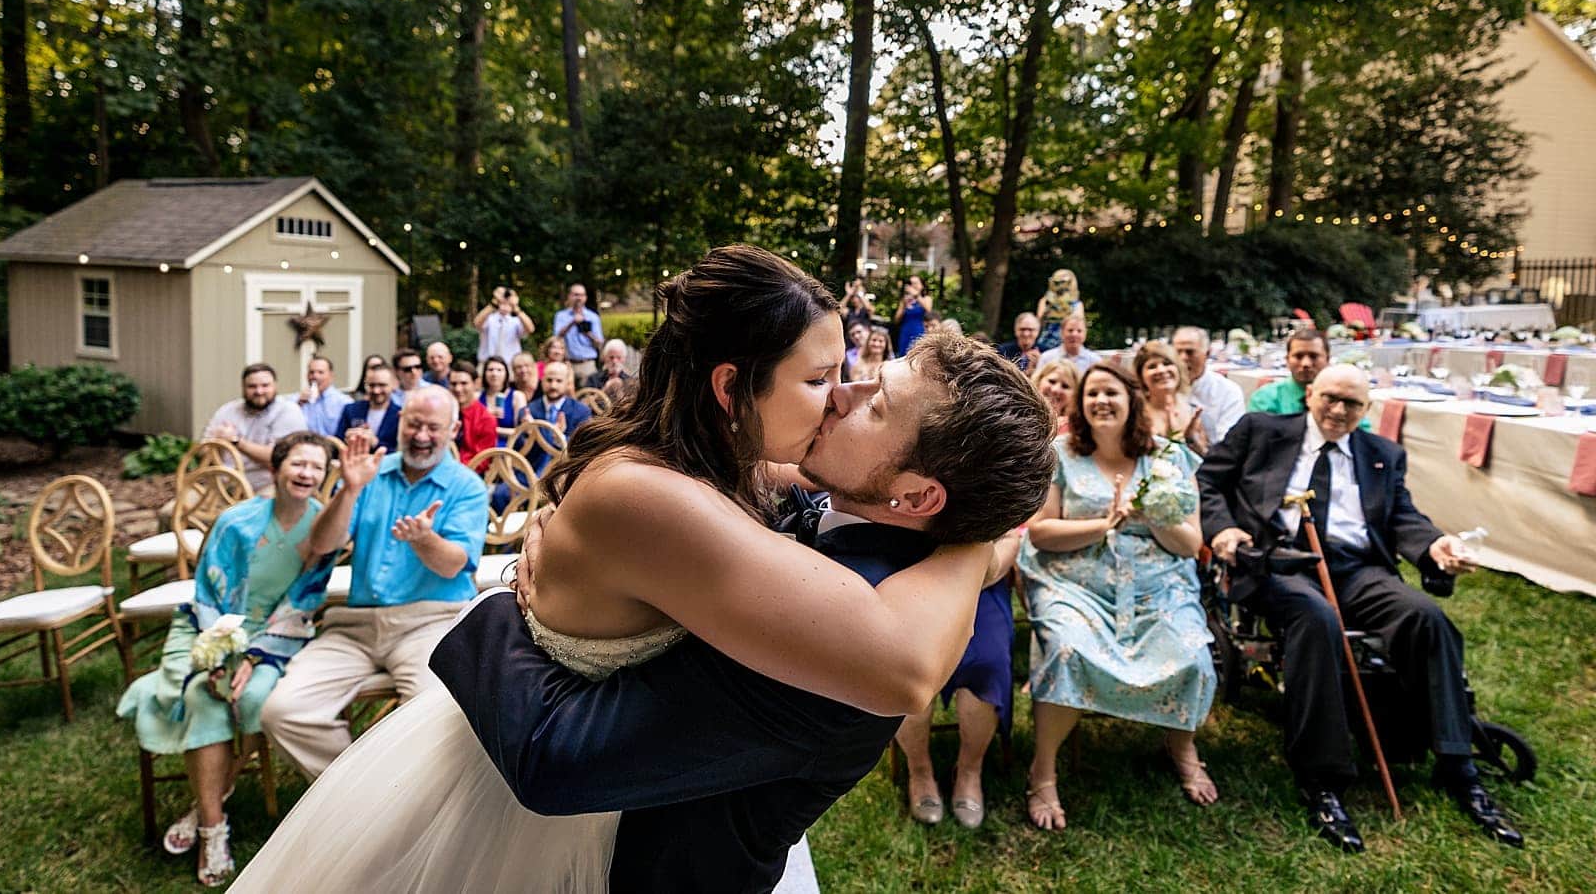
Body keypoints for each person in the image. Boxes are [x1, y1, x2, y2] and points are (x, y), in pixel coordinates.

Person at [231, 246, 1055, 894]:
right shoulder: (763, 492)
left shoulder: (854, 624)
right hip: (513, 793)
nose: (846, 393)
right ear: (733, 389)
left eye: (874, 399)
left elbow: (560, 758)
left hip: (619, 828)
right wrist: (983, 538)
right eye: (824, 377)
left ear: (916, 495)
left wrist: (493, 605)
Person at [1198, 364, 1522, 853]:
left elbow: (1403, 518)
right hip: (1279, 562)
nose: (1338, 410)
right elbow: (1207, 483)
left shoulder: (1381, 455)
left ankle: (1458, 766)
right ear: (1310, 395)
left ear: (1366, 411)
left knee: (1425, 618)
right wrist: (1224, 531)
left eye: (1352, 404)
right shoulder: (1262, 431)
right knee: (1316, 619)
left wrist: (1435, 547)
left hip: (1355, 568)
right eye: (1330, 397)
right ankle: (1322, 776)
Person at [118, 432, 335, 886]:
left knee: (255, 700)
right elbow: (209, 591)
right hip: (214, 627)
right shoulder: (236, 521)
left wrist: (255, 656)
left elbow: (304, 600)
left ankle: (203, 802)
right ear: (276, 469)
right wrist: (223, 652)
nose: (306, 474)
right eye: (297, 464)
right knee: (203, 696)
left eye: (316, 467)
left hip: (275, 638)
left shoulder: (323, 526)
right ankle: (213, 829)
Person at [1020, 362, 1218, 833]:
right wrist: (1103, 524)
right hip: (1075, 585)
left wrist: (1149, 514)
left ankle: (1182, 745)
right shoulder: (1060, 454)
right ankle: (1043, 770)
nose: (1100, 401)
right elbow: (1042, 533)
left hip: (1157, 587)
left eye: (1111, 392)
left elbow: (1191, 544)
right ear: (1080, 405)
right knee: (1067, 652)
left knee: (1194, 656)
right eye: (1091, 394)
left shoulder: (1170, 458)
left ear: (1133, 400)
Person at [260, 386, 488, 779]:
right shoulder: (369, 472)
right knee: (282, 711)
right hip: (356, 626)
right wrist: (349, 489)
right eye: (414, 424)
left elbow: (454, 566)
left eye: (433, 427)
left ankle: (386, 802)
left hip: (430, 622)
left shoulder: (467, 486)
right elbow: (322, 543)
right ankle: (359, 792)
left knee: (436, 715)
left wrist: (424, 540)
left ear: (453, 430)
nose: (421, 436)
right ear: (399, 422)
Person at [895, 530, 1021, 829]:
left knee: (989, 661)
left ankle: (969, 770)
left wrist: (978, 573)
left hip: (981, 583)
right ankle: (920, 771)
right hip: (908, 580)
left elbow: (1011, 538)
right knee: (907, 662)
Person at [202, 363, 308, 494]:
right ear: (243, 388)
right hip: (223, 485)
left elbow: (278, 458)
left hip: (267, 485)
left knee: (257, 511)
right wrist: (216, 443)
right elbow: (203, 451)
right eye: (252, 386)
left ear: (275, 386)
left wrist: (235, 441)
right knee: (170, 510)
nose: (259, 391)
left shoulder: (288, 411)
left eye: (265, 385)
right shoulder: (227, 410)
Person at [1249, 327, 1372, 431]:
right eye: (1298, 356)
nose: (1306, 363)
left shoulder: (1346, 400)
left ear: (1328, 359)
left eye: (1314, 356)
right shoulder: (1266, 398)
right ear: (1287, 360)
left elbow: (1362, 437)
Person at [1172, 326, 1244, 446]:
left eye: (1190, 352)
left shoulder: (1228, 391)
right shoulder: (1162, 387)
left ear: (1207, 353)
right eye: (1177, 352)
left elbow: (1229, 443)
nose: (1183, 358)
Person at [1135, 341, 1209, 456]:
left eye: (1167, 363)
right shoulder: (1135, 413)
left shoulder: (1194, 410)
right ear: (1141, 376)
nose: (1161, 370)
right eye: (1152, 366)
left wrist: (1192, 440)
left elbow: (1206, 459)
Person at [525, 360, 592, 474]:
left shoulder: (581, 411)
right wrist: (528, 436)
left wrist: (560, 439)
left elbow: (584, 449)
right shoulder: (530, 410)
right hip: (529, 473)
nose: (553, 385)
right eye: (549, 380)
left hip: (565, 474)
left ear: (567, 384)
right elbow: (518, 449)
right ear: (542, 381)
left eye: (559, 381)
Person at [334, 364, 401, 453]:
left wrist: (375, 443)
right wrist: (346, 440)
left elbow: (401, 453)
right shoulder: (351, 410)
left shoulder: (400, 415)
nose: (376, 390)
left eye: (382, 385)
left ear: (394, 385)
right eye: (372, 385)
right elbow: (336, 443)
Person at [447, 362, 498, 467]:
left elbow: (482, 461)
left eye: (464, 383)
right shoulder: (442, 412)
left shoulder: (486, 419)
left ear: (476, 384)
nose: (458, 389)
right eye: (453, 384)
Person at [553, 283, 605, 381]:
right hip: (567, 364)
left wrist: (587, 333)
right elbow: (556, 338)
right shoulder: (561, 316)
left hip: (587, 365)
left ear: (585, 297)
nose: (579, 298)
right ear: (569, 296)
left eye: (582, 295)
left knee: (588, 395)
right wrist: (572, 323)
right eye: (576, 295)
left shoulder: (593, 317)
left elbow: (599, 343)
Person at [474, 286, 535, 364]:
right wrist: (494, 303)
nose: (505, 304)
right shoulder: (489, 318)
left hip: (510, 363)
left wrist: (515, 307)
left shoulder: (516, 321)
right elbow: (476, 323)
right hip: (487, 363)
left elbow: (531, 329)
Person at [297, 355, 352, 439]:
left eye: (320, 372)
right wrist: (298, 404)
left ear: (331, 375)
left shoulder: (344, 402)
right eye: (311, 372)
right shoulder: (298, 400)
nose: (315, 376)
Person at [478, 355, 528, 442]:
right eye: (490, 370)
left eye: (499, 370)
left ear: (506, 374)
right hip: (482, 447)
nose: (494, 374)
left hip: (509, 448)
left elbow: (520, 431)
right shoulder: (477, 397)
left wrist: (494, 429)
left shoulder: (517, 396)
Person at [1035, 268, 1082, 351]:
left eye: (1064, 282)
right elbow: (1038, 324)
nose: (1061, 285)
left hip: (1067, 344)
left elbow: (1078, 326)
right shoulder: (1045, 301)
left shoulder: (1077, 304)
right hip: (1046, 342)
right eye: (1058, 282)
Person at [1030, 359, 1078, 436]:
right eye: (1052, 381)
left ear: (1074, 395)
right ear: (1039, 380)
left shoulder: (1075, 429)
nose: (1056, 390)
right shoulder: (1019, 414)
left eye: (1065, 386)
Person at [894, 274, 933, 355]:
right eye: (911, 283)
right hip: (906, 330)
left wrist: (916, 296)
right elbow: (896, 319)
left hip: (919, 330)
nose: (913, 286)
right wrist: (904, 305)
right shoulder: (905, 300)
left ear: (922, 286)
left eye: (916, 283)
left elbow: (928, 310)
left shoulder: (926, 298)